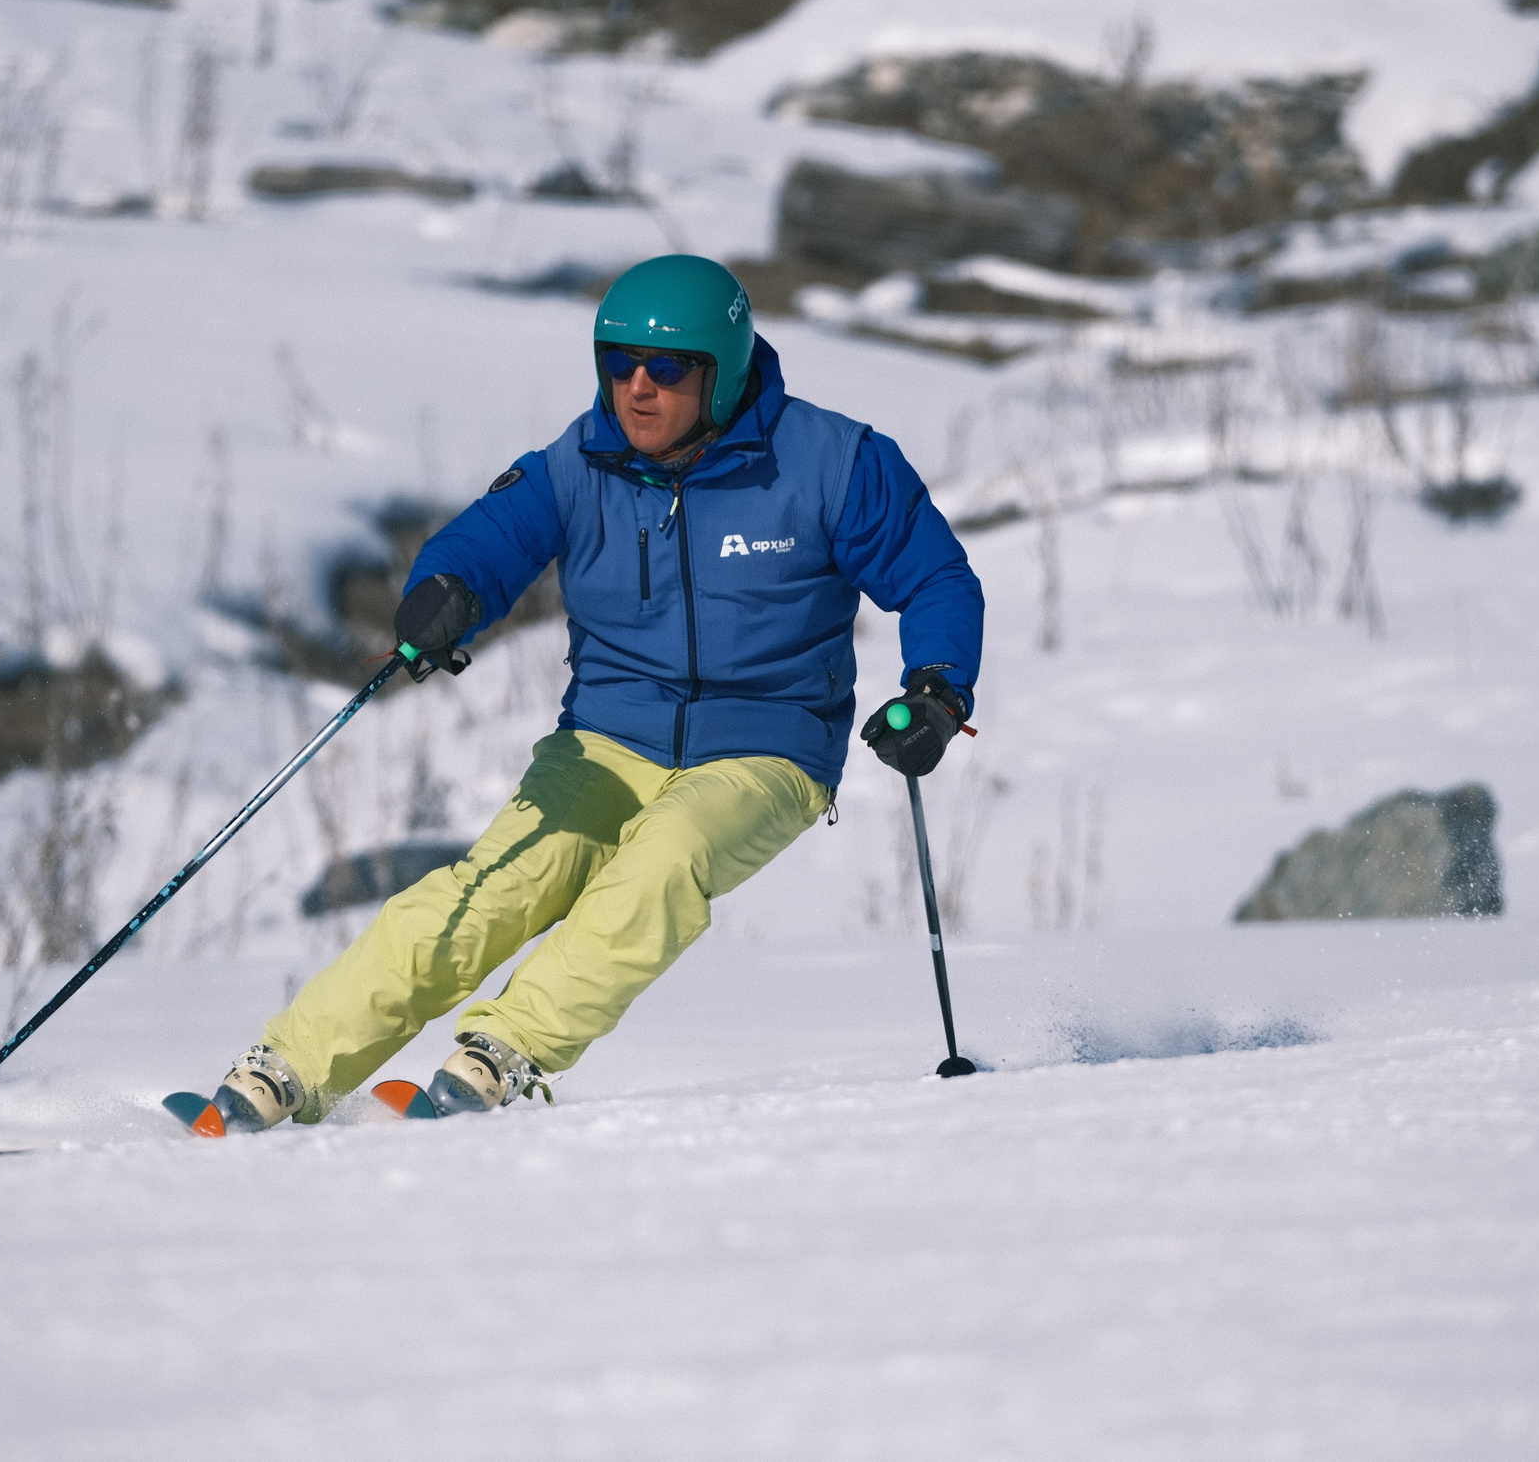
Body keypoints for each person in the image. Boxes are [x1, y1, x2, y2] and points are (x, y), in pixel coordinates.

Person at [210, 253, 984, 1128]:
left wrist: (937, 691)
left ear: (723, 373)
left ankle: (504, 1053)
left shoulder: (832, 462)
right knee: (494, 885)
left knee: (667, 853)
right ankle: (288, 1066)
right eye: (618, 363)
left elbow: (936, 578)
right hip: (606, 738)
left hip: (768, 747)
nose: (637, 388)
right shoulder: (580, 463)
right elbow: (490, 537)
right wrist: (446, 590)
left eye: (667, 368)